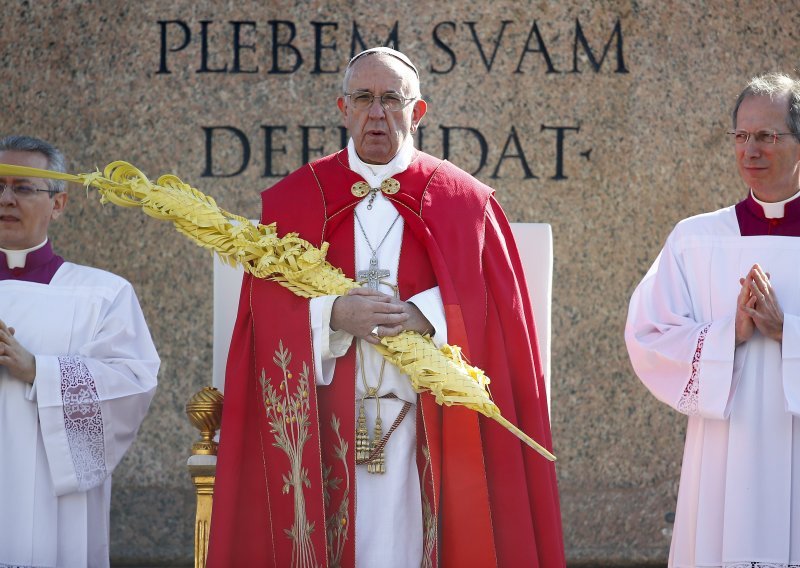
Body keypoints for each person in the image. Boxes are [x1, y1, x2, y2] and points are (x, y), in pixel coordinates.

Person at [208, 47, 564, 567]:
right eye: (363, 98)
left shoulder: (464, 203)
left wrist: (429, 316)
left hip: (428, 425)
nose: (377, 113)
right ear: (342, 108)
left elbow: (499, 312)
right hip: (325, 417)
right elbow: (262, 317)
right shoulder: (295, 202)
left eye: (391, 99)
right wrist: (332, 315)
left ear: (417, 112)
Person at [626, 72, 800, 567]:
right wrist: (729, 335)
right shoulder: (697, 239)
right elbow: (649, 334)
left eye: (767, 136)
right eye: (742, 136)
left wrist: (788, 330)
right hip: (726, 451)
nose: (751, 150)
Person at [0, 135, 159, 568]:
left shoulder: (102, 294)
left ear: (58, 203)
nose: (7, 198)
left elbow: (131, 385)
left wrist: (41, 372)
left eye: (24, 187)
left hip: (53, 501)